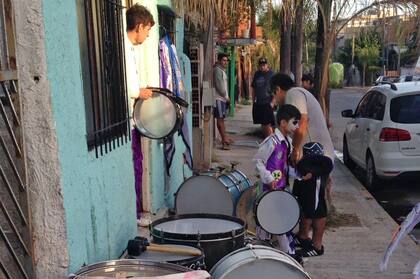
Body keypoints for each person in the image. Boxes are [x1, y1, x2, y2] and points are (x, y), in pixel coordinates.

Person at [269, 73, 334, 257]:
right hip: (308, 159)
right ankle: (303, 236)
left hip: (318, 159)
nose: (276, 100)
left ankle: (317, 245)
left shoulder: (293, 94)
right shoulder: (294, 95)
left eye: (274, 95)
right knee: (303, 197)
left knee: (315, 203)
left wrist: (296, 149)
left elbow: (302, 122)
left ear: (278, 90)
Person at [253, 104, 310, 259]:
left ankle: (286, 253)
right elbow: (258, 162)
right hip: (269, 191)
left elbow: (285, 167)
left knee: (281, 224)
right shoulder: (271, 142)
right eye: (294, 122)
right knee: (271, 224)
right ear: (283, 123)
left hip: (282, 190)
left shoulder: (288, 143)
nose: (297, 126)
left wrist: (299, 175)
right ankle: (284, 254)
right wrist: (269, 178)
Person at [126, 4, 155, 226]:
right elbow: (125, 85)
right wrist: (140, 92)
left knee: (138, 163)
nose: (147, 36)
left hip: (131, 120)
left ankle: (136, 211)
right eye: (147, 30)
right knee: (135, 165)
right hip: (127, 121)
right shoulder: (124, 48)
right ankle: (135, 213)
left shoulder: (129, 48)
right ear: (139, 26)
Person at [293, 142, 333, 257]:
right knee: (306, 207)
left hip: (316, 192)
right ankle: (302, 237)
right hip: (308, 188)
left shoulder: (319, 174)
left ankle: (317, 246)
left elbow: (316, 206)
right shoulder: (306, 170)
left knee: (316, 210)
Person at [213, 53, 233, 150]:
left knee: (221, 120)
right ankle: (224, 140)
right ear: (219, 60)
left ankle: (225, 138)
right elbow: (220, 87)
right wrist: (226, 96)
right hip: (219, 99)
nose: (225, 62)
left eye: (226, 61)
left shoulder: (222, 70)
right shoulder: (217, 70)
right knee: (220, 120)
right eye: (224, 60)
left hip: (222, 99)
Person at [251, 58, 275, 137]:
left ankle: (273, 142)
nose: (262, 67)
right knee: (263, 124)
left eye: (264, 65)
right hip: (258, 102)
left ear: (267, 65)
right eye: (261, 65)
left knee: (267, 124)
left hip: (267, 102)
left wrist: (273, 102)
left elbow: (276, 89)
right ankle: (267, 141)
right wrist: (253, 99)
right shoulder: (257, 74)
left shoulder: (272, 74)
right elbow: (254, 87)